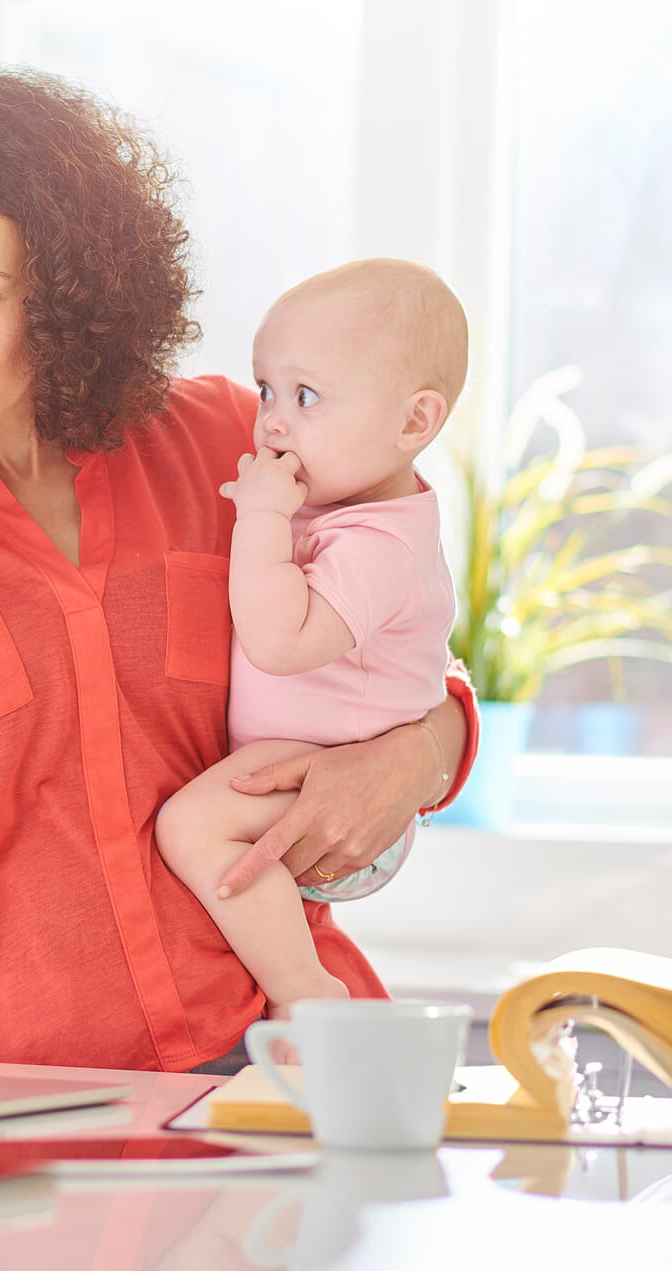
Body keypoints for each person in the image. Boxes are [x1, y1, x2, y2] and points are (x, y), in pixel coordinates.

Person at [0, 68, 479, 1074]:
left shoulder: (228, 440)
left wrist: (419, 754)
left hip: (274, 1050)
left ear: (63, 285)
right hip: (11, 1091)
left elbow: (390, 615)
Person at [155, 260, 467, 1019]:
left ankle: (304, 992)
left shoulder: (379, 545)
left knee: (191, 825)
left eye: (306, 396)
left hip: (331, 781)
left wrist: (260, 518)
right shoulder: (341, 508)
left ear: (412, 423)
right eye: (265, 390)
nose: (272, 423)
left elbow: (278, 641)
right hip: (309, 767)